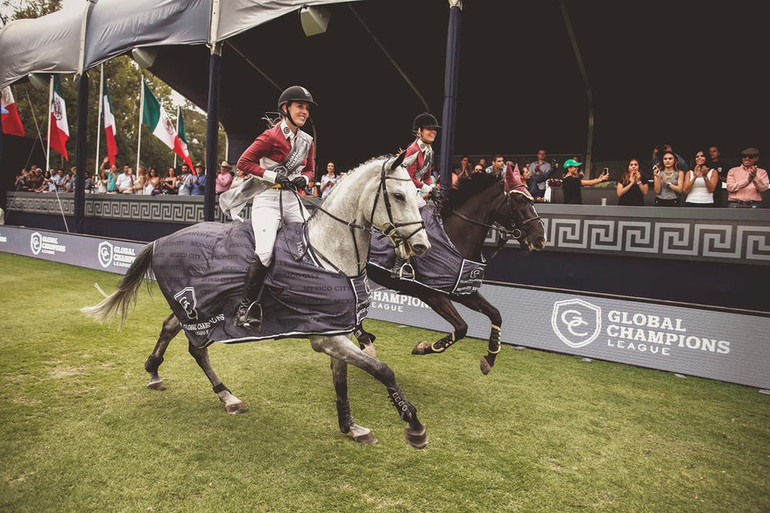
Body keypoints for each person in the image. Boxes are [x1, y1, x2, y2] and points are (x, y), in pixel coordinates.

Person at [223, 85, 316, 331]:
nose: (304, 112)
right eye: (300, 106)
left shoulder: (307, 140)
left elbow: (310, 170)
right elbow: (244, 162)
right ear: (285, 109)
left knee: (314, 240)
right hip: (267, 199)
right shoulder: (270, 136)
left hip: (292, 199)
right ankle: (246, 308)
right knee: (265, 252)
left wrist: (304, 180)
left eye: (306, 108)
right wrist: (272, 176)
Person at [405, 112, 439, 208]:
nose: (433, 132)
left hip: (416, 191)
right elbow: (410, 178)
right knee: (424, 207)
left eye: (434, 129)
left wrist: (433, 188)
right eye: (429, 129)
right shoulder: (413, 150)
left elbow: (427, 177)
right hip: (406, 190)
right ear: (419, 131)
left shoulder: (429, 151)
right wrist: (428, 189)